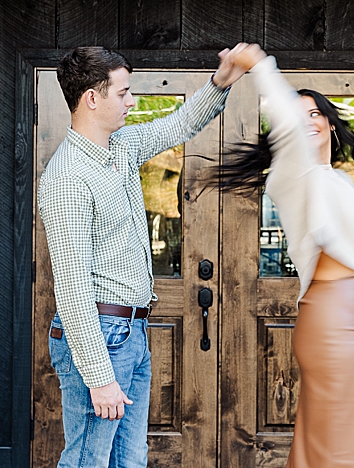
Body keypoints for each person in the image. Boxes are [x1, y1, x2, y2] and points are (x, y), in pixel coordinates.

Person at [38, 44, 252, 468]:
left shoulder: (122, 146)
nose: (132, 100)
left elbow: (179, 124)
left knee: (129, 461)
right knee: (87, 461)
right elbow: (72, 287)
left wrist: (221, 80)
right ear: (92, 98)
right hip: (99, 335)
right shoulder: (66, 180)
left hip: (131, 332)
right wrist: (99, 379)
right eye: (123, 92)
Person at [215, 45, 354, 468]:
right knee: (343, 449)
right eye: (297, 113)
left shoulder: (337, 181)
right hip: (330, 321)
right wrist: (259, 66)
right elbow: (289, 127)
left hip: (342, 321)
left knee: (323, 446)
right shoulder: (295, 173)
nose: (305, 121)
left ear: (329, 123)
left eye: (315, 114)